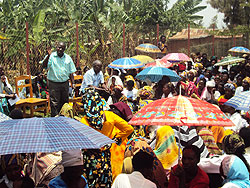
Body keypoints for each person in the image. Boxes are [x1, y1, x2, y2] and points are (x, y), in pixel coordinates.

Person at [80, 88, 133, 188]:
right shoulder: (110, 116)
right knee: (105, 181)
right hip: (105, 156)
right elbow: (129, 129)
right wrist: (115, 139)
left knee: (92, 183)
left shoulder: (84, 121)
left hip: (90, 159)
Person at [43, 42, 76, 117]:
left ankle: (64, 119)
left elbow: (71, 72)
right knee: (54, 103)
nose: (60, 49)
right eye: (59, 47)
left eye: (62, 48)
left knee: (64, 102)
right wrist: (48, 55)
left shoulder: (68, 58)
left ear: (64, 49)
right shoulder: (51, 56)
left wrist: (73, 83)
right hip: (54, 83)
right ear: (56, 47)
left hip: (64, 83)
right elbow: (44, 66)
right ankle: (55, 120)